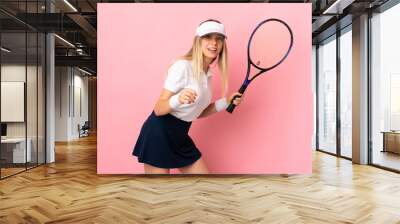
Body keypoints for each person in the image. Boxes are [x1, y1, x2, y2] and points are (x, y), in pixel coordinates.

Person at [132, 19, 243, 174]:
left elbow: (198, 112)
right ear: (198, 41)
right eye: (208, 37)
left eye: (219, 38)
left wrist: (227, 101)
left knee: (205, 185)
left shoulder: (207, 74)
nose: (214, 43)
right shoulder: (183, 66)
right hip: (159, 133)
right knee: (159, 194)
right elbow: (158, 109)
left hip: (180, 135)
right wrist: (178, 99)